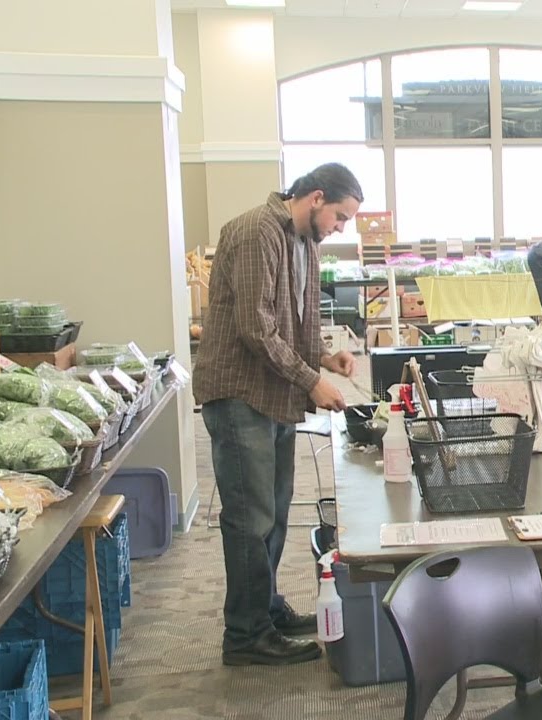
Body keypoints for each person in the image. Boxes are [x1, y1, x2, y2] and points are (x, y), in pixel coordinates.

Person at [193, 163, 361, 667]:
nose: (340, 228)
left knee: (274, 513)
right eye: (340, 216)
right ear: (315, 198)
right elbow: (256, 328)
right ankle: (246, 636)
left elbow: (299, 322)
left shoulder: (304, 242)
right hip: (239, 393)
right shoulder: (254, 232)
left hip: (273, 396)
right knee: (250, 518)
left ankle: (263, 610)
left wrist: (324, 359)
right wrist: (312, 381)